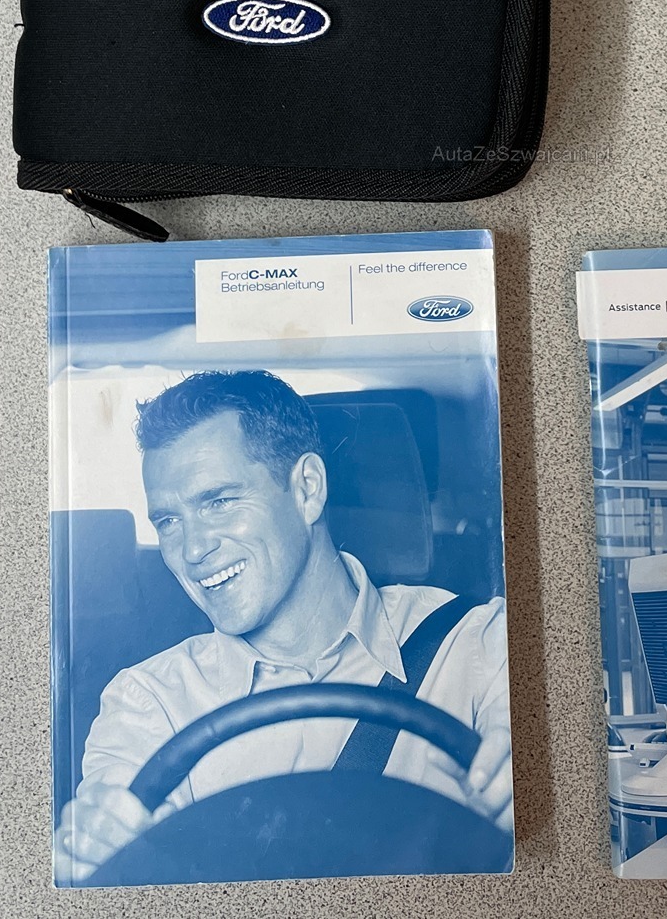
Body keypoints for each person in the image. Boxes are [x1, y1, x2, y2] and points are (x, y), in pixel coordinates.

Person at [52, 370, 513, 883]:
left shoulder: (478, 644)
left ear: (307, 489)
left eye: (219, 502)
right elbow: (115, 831)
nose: (193, 549)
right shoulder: (149, 701)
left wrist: (527, 773)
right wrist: (97, 846)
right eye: (168, 521)